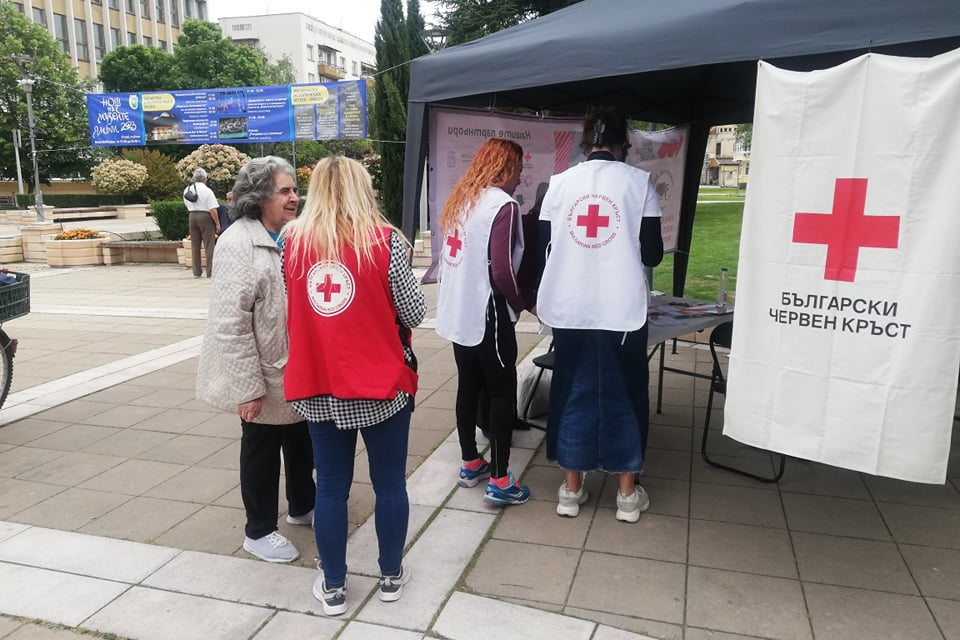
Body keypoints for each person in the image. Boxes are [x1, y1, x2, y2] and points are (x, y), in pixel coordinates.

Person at [282, 156, 425, 616]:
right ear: (365, 190)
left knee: (330, 489)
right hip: (381, 386)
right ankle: (389, 575)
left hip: (320, 384)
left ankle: (336, 585)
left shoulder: (291, 243)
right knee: (389, 485)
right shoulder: (385, 243)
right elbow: (414, 313)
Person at [537, 107, 664, 523]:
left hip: (570, 307)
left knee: (571, 390)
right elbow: (652, 253)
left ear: (585, 142)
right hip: (622, 309)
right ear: (623, 145)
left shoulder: (558, 184)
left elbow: (547, 246)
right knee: (626, 393)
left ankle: (571, 491)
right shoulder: (639, 182)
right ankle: (627, 496)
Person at [195, 156, 316, 562]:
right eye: (284, 190)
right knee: (262, 449)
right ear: (260, 195)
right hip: (263, 373)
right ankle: (259, 530)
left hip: (293, 368)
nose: (293, 198)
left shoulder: (289, 234)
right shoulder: (237, 244)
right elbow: (230, 324)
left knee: (301, 441)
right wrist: (247, 388)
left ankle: (303, 506)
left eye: (295, 190)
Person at [435, 138, 534, 507]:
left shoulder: (462, 199)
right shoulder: (501, 205)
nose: (520, 181)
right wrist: (521, 303)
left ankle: (470, 462)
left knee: (468, 387)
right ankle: (501, 479)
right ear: (506, 169)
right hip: (488, 313)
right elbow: (503, 270)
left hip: (460, 312)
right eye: (519, 172)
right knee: (501, 392)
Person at [183, 167, 220, 278]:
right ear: (205, 179)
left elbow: (186, 204)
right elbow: (212, 209)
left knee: (195, 245)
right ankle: (210, 271)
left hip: (192, 216)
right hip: (205, 217)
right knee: (209, 245)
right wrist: (217, 223)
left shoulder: (187, 189)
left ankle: (196, 272)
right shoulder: (207, 191)